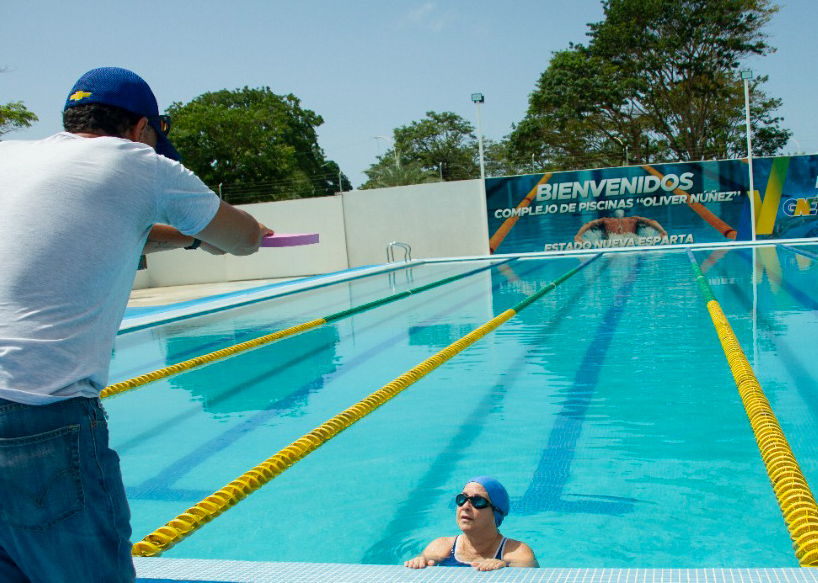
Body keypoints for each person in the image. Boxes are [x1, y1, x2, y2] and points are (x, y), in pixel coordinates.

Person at [0, 67, 272, 582]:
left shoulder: (10, 157)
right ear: (142, 128)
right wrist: (248, 230)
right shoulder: (138, 164)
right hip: (39, 415)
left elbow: (107, 233)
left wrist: (187, 238)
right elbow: (243, 240)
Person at [404, 476, 538, 571]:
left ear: (496, 512)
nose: (465, 506)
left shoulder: (516, 554)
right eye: (462, 499)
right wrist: (418, 562)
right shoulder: (440, 547)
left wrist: (505, 570)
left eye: (478, 501)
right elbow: (420, 563)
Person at [574, 209, 668, 243]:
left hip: (612, 241)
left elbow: (588, 224)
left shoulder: (606, 220)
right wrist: (662, 232)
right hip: (631, 240)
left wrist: (578, 236)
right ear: (624, 214)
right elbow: (651, 221)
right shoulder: (632, 219)